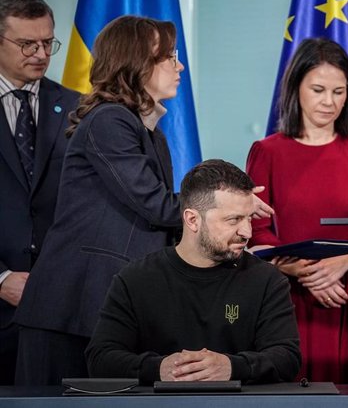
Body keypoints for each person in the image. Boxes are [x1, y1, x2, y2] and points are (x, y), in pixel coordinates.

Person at [13, 16, 183, 385]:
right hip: (71, 309)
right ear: (137, 62)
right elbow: (156, 204)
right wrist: (222, 208)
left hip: (106, 306)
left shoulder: (151, 134)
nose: (178, 65)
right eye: (169, 56)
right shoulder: (109, 121)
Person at [246, 38, 348, 383]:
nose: (329, 102)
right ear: (296, 87)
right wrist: (304, 272)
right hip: (287, 301)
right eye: (318, 89)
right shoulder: (266, 152)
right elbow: (256, 231)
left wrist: (340, 263)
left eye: (339, 92)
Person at [86, 159, 300, 384]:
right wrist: (158, 369)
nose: (247, 232)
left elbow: (287, 358)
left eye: (248, 218)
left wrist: (231, 367)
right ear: (192, 219)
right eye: (233, 220)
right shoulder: (135, 279)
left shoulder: (267, 280)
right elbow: (100, 359)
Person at [0, 0, 79, 385]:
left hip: (61, 307)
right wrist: (0, 279)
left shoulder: (79, 108)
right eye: (27, 43)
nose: (40, 53)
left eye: (48, 42)